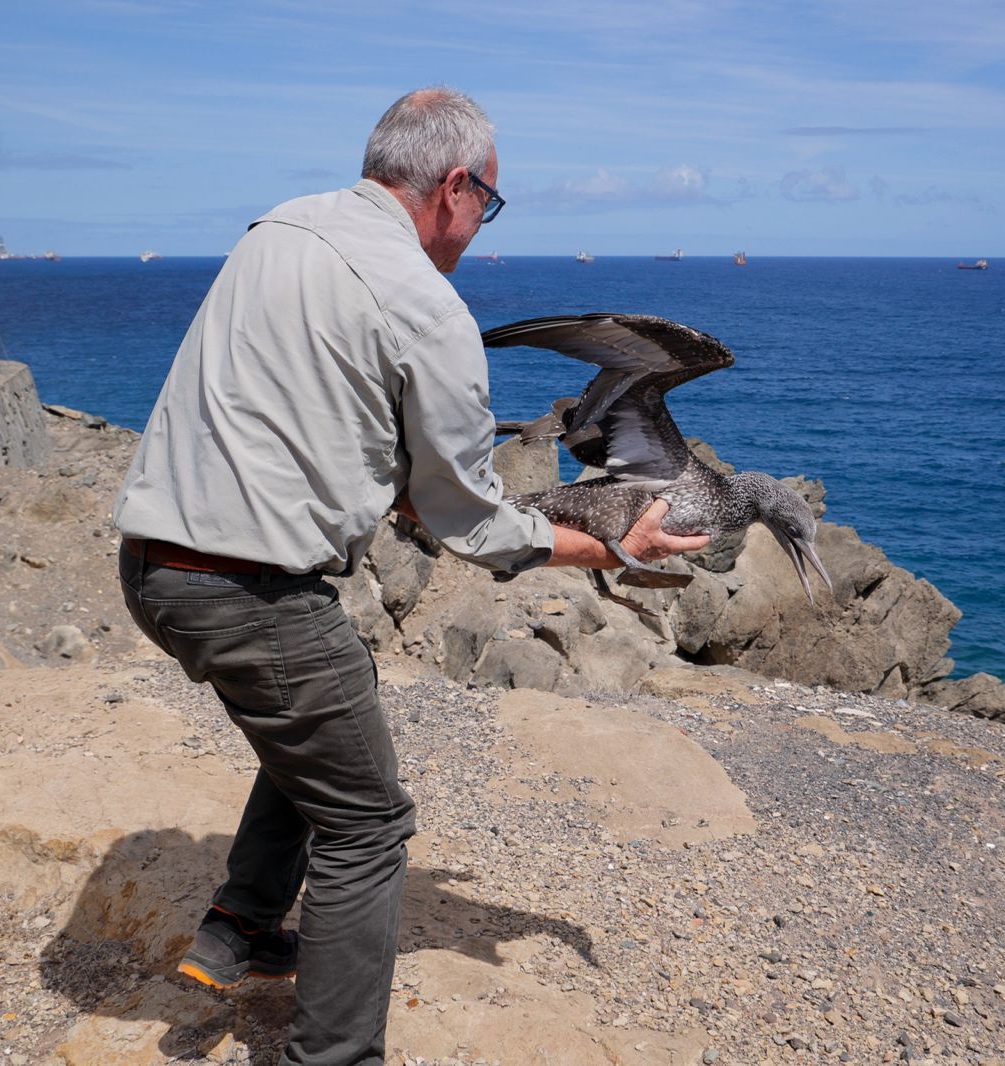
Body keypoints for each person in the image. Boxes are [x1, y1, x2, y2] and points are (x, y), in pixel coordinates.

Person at [110, 87, 707, 1066]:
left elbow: (296, 409)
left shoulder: (279, 226)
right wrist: (614, 547)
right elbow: (465, 517)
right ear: (456, 187)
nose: (481, 227)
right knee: (368, 825)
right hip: (247, 589)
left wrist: (394, 482)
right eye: (489, 205)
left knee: (326, 720)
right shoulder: (426, 307)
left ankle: (242, 924)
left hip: (150, 562)